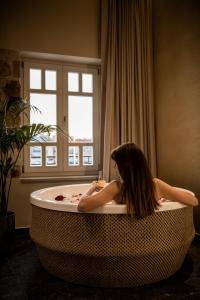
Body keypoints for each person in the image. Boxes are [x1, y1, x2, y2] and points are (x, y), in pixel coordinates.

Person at [77, 143, 198, 218]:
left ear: (124, 167)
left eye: (117, 164)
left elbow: (82, 206)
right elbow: (193, 201)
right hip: (150, 242)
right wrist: (170, 193)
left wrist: (92, 188)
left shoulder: (116, 188)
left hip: (122, 241)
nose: (115, 167)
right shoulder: (156, 185)